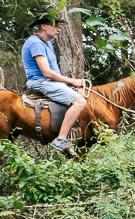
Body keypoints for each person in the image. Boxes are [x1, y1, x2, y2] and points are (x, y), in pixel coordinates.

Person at [21, 10, 87, 154]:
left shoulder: (48, 44)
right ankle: (60, 139)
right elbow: (47, 72)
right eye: (55, 26)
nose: (58, 29)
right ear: (44, 26)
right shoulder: (35, 43)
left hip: (50, 81)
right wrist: (73, 81)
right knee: (80, 102)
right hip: (41, 81)